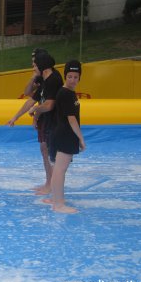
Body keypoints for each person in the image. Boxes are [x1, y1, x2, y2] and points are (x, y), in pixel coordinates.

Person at [42, 60, 86, 214]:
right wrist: (81, 138)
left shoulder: (65, 92)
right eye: (70, 76)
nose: (73, 80)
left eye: (76, 77)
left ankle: (55, 199)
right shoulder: (66, 93)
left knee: (59, 169)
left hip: (61, 134)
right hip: (66, 135)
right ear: (65, 76)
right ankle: (59, 204)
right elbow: (72, 119)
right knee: (60, 170)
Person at [27, 52, 63, 196]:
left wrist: (35, 110)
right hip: (46, 119)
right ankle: (49, 182)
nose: (33, 67)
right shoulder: (44, 79)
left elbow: (48, 105)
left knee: (50, 153)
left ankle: (52, 185)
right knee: (45, 151)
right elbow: (30, 95)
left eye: (35, 64)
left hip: (53, 120)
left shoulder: (53, 80)